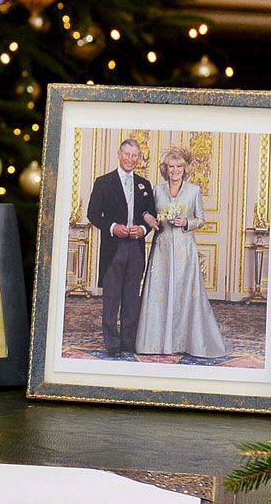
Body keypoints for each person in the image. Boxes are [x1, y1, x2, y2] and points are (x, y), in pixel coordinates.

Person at [133, 146, 228, 360]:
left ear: (185, 169)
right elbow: (146, 212)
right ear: (165, 169)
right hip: (162, 250)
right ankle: (156, 342)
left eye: (179, 166)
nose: (175, 170)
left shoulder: (194, 191)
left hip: (185, 251)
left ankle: (184, 341)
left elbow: (201, 219)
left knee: (186, 295)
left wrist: (186, 222)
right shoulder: (157, 190)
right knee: (159, 293)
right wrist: (151, 218)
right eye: (171, 166)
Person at [85, 139, 159, 358]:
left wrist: (143, 230)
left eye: (135, 155)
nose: (130, 159)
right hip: (113, 248)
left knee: (131, 297)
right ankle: (112, 343)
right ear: (119, 154)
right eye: (127, 154)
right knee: (112, 297)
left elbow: (150, 214)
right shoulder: (104, 182)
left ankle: (129, 340)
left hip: (135, 248)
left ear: (139, 158)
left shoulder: (144, 184)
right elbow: (93, 214)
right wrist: (112, 227)